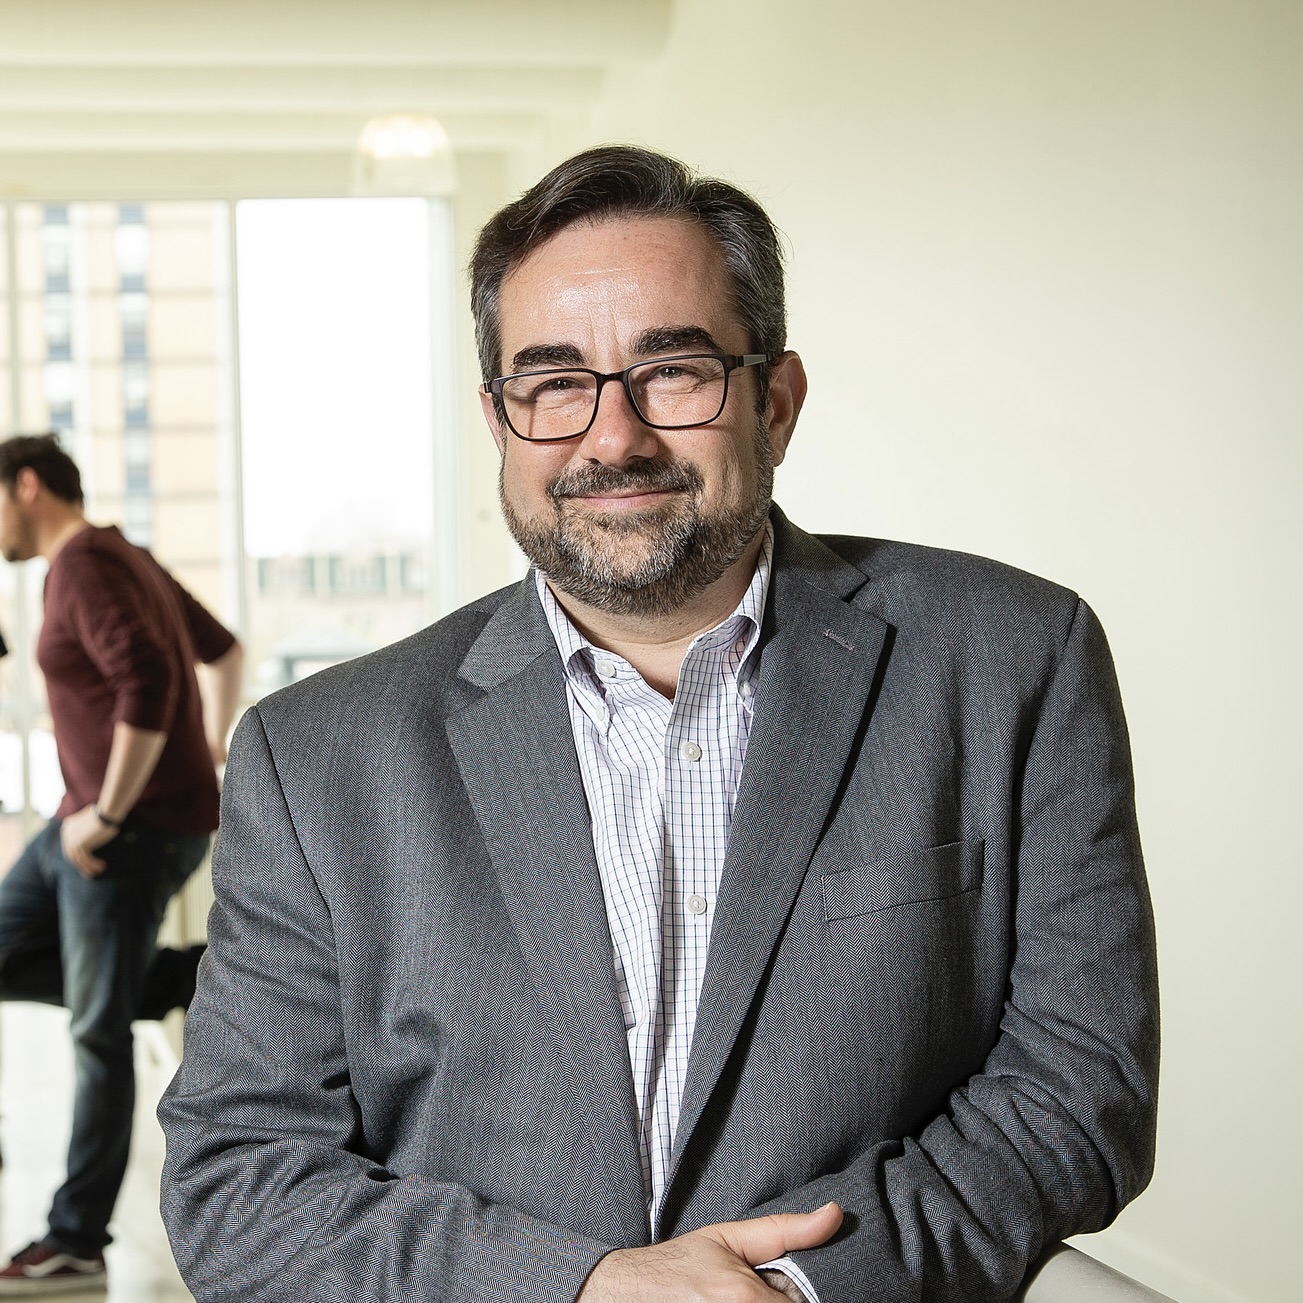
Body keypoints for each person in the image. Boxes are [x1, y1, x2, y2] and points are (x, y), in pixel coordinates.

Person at [159, 146, 1158, 1303]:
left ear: (773, 403)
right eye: (553, 382)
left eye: (672, 372)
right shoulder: (317, 757)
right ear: (501, 420)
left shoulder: (1013, 657)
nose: (613, 437)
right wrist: (583, 1288)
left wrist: (794, 1285)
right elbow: (239, 1181)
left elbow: (1078, 1085)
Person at [0, 433, 242, 1294]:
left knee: (95, 1034)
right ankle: (196, 973)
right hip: (90, 822)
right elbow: (222, 648)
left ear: (26, 485)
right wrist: (201, 750)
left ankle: (76, 1237)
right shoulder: (121, 555)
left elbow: (145, 677)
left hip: (116, 831)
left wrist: (109, 809)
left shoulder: (86, 564)